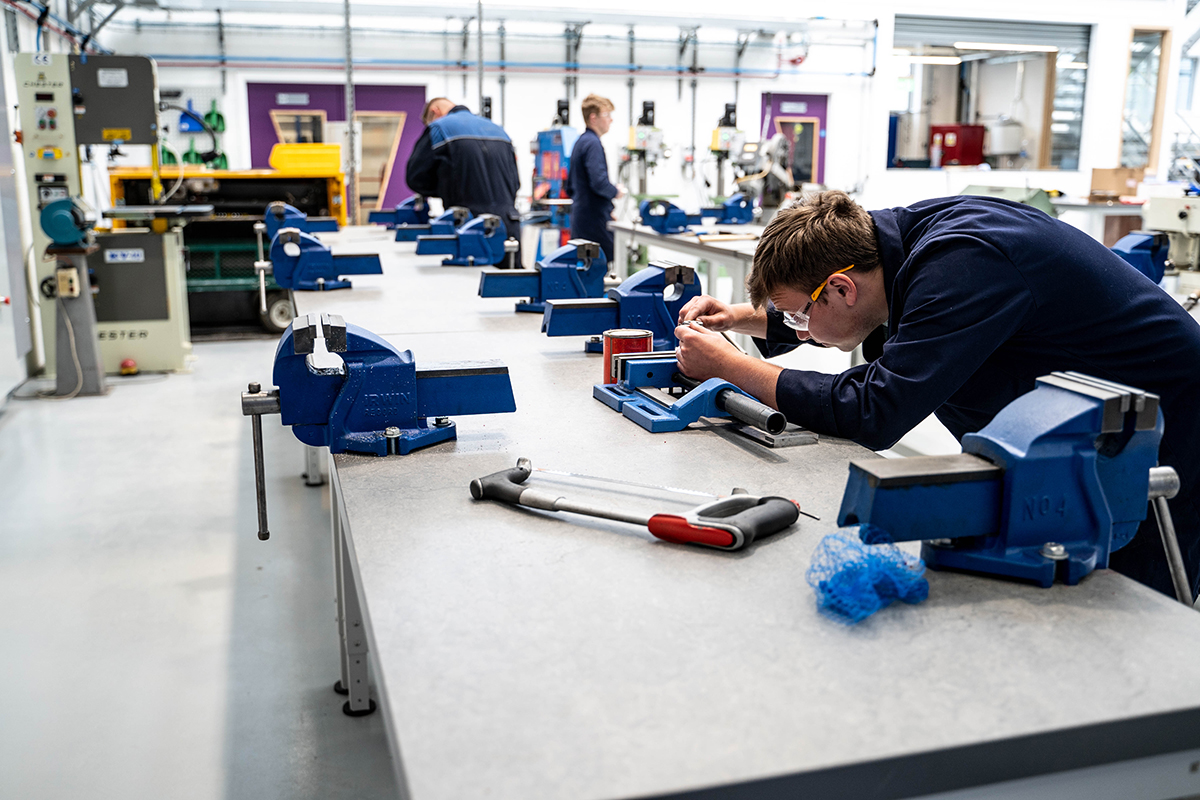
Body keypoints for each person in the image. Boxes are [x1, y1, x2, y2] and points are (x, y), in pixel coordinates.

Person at [676, 190, 1200, 601]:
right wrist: (748, 319)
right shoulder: (880, 244)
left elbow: (874, 409)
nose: (799, 330)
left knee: (1125, 605)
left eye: (798, 315)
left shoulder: (962, 264)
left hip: (1166, 429)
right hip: (1080, 429)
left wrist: (730, 367)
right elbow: (847, 317)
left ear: (840, 287)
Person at [406, 97, 522, 262]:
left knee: (468, 284)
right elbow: (515, 182)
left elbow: (415, 177)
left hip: (469, 226)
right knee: (510, 283)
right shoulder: (498, 130)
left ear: (434, 112)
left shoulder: (439, 128)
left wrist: (444, 188)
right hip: (508, 224)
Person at [566, 93, 625, 263]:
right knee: (602, 269)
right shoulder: (593, 144)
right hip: (594, 222)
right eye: (607, 115)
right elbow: (599, 183)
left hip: (581, 218)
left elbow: (570, 186)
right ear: (593, 118)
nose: (610, 120)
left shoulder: (580, 142)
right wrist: (616, 192)